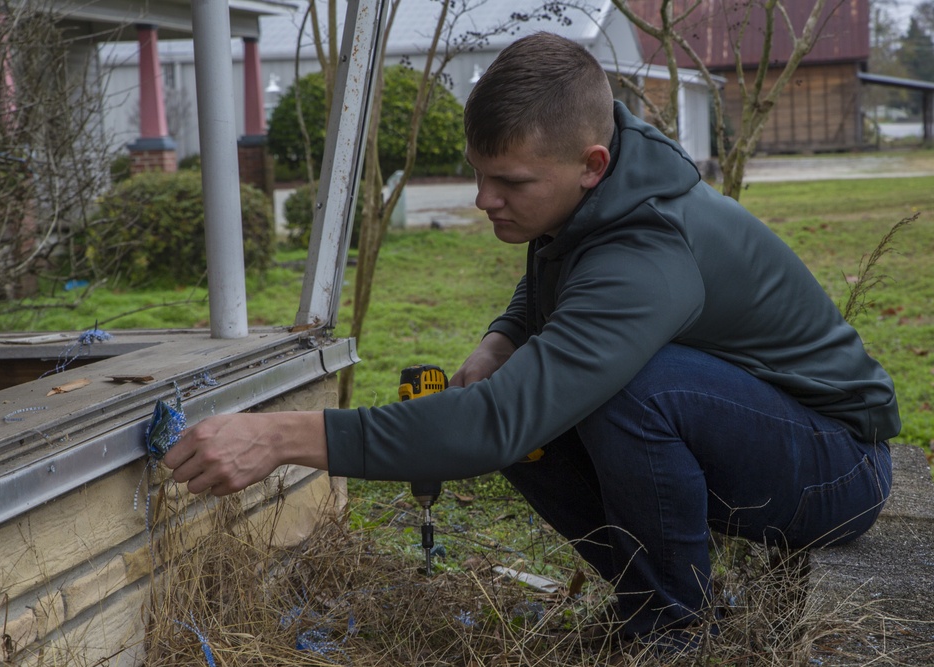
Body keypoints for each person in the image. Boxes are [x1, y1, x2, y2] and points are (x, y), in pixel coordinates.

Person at [164, 32, 899, 650]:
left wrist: (280, 437)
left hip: (840, 466)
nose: (485, 200)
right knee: (541, 406)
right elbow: (563, 263)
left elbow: (495, 423)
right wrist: (504, 336)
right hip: (761, 430)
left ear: (591, 164)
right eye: (479, 175)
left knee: (625, 393)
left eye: (509, 182)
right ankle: (657, 597)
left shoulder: (648, 252)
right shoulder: (599, 192)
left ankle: (674, 628)